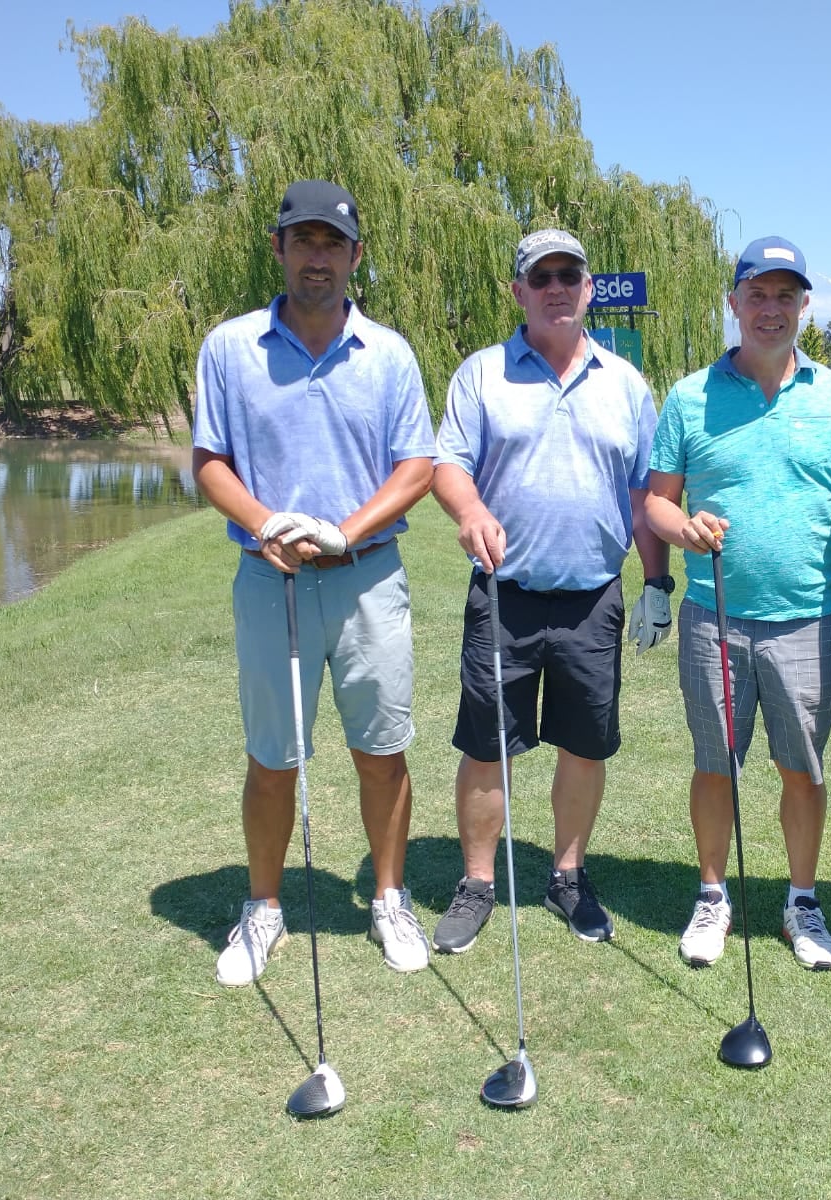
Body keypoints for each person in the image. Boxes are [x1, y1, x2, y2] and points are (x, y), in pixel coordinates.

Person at [192, 179, 436, 986]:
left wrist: (346, 530)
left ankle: (389, 899)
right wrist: (266, 524)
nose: (318, 257)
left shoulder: (389, 354)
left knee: (382, 752)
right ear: (278, 249)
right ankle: (263, 911)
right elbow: (210, 464)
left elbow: (417, 468)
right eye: (304, 241)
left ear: (355, 255)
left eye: (333, 243)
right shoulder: (230, 349)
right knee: (273, 759)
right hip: (271, 584)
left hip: (368, 579)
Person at [429, 228, 670, 952]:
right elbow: (449, 464)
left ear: (588, 287)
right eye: (541, 278)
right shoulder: (482, 374)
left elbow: (642, 495)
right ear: (519, 292)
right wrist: (469, 510)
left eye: (570, 274)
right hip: (504, 595)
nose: (556, 287)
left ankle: (566, 876)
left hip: (593, 596)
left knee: (583, 745)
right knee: (486, 746)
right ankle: (476, 883)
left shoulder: (625, 384)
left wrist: (657, 581)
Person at [644, 236, 831, 971]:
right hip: (713, 614)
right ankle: (712, 895)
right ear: (733, 301)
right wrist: (680, 530)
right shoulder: (688, 396)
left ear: (803, 304)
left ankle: (800, 902)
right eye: (757, 294)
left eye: (785, 295)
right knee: (715, 765)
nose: (770, 309)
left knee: (802, 770)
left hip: (808, 617)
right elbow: (654, 501)